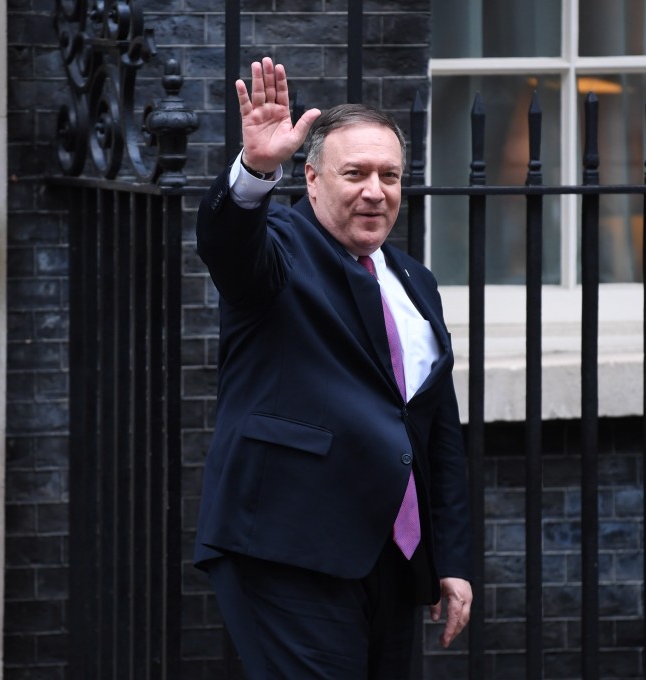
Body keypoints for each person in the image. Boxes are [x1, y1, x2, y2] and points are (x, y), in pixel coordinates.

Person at [193, 56, 474, 679]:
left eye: (390, 176)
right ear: (313, 179)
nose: (376, 190)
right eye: (356, 173)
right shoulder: (280, 252)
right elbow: (227, 246)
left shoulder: (415, 281)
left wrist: (450, 558)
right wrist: (257, 170)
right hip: (288, 548)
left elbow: (436, 432)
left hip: (395, 559)